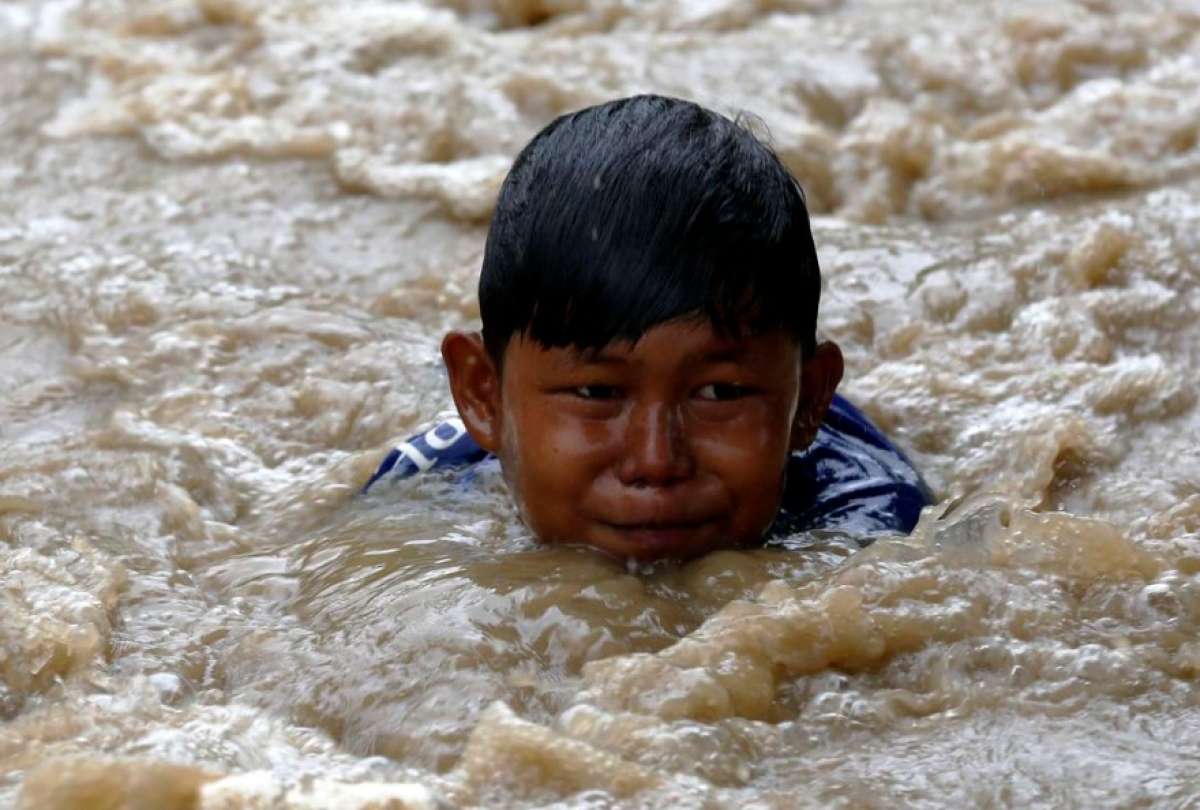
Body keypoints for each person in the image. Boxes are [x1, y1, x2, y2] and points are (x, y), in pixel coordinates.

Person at [364, 95, 932, 560]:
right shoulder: (423, 487)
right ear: (482, 396)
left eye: (719, 393)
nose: (656, 461)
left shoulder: (874, 533)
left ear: (808, 402)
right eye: (597, 393)